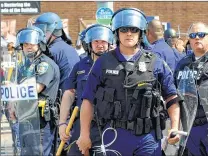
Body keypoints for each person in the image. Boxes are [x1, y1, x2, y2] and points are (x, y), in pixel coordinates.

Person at [76, 8, 180, 156]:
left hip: (148, 137)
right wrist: (84, 134)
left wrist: (174, 127)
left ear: (141, 33)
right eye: (124, 29)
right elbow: (88, 100)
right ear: (117, 33)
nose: (129, 33)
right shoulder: (103, 63)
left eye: (134, 29)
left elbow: (172, 97)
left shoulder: (156, 62)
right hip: (114, 136)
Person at [59, 24, 114, 156]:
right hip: (81, 124)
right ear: (89, 44)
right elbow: (69, 94)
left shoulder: (117, 65)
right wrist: (62, 123)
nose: (100, 45)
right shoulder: (80, 65)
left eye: (103, 42)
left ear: (109, 43)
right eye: (96, 41)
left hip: (108, 125)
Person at [15, 26, 60, 155]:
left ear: (39, 44)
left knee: (39, 153)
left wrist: (14, 91)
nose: (29, 47)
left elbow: (36, 89)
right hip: (26, 117)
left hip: (40, 121)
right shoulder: (24, 66)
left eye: (32, 44)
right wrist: (12, 106)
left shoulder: (45, 65)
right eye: (25, 44)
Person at [174, 22, 208, 156]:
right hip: (190, 127)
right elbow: (175, 90)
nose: (197, 38)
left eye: (201, 34)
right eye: (193, 35)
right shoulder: (183, 63)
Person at [34, 12, 80, 91]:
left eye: (42, 31)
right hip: (71, 96)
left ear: (53, 31)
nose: (39, 35)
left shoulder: (51, 52)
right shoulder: (69, 48)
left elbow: (41, 81)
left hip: (61, 99)